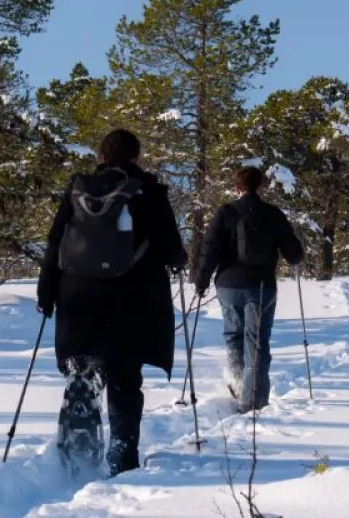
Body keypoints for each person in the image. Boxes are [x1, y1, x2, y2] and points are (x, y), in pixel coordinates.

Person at [37, 129, 187, 478]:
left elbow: (55, 241)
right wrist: (179, 260)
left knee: (83, 370)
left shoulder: (78, 188)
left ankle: (78, 461)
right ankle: (122, 459)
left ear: (101, 156)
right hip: (130, 299)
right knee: (123, 380)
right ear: (136, 157)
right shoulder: (148, 190)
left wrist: (46, 293)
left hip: (77, 296)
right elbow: (170, 247)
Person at [195, 165, 304, 411]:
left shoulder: (225, 213)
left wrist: (201, 281)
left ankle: (236, 384)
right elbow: (294, 255)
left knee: (233, 335)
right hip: (261, 286)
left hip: (228, 285)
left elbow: (209, 250)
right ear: (260, 186)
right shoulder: (273, 214)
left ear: (237, 187)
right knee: (256, 342)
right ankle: (253, 400)